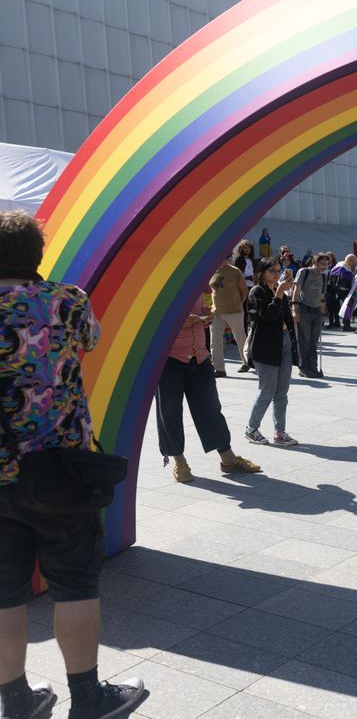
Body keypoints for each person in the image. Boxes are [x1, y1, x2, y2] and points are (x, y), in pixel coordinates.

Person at [0, 211, 146, 719]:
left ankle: (15, 701)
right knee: (76, 585)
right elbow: (89, 344)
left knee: (3, 593)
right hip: (62, 470)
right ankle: (87, 699)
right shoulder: (66, 301)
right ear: (37, 255)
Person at [156, 296, 262, 483]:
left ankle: (228, 458)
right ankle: (179, 461)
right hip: (169, 358)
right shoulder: (161, 285)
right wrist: (176, 321)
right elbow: (148, 319)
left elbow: (202, 307)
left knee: (210, 408)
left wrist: (206, 313)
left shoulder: (196, 284)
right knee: (169, 412)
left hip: (200, 355)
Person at [244, 258, 300, 447]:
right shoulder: (256, 292)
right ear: (261, 273)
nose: (276, 275)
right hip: (265, 346)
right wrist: (278, 293)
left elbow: (284, 318)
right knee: (267, 390)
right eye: (272, 271)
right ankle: (251, 429)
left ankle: (279, 431)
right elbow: (267, 316)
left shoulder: (280, 293)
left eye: (278, 271)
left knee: (282, 392)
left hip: (283, 342)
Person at [209, 256, 249, 377]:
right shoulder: (210, 270)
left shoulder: (235, 271)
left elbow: (244, 290)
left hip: (234, 311)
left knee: (240, 338)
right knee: (215, 341)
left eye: (225, 258)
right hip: (216, 312)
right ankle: (219, 369)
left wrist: (239, 303)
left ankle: (247, 362)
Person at [291, 253, 328, 379]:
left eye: (326, 264)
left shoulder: (323, 276)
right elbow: (296, 290)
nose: (324, 267)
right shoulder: (304, 272)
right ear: (315, 262)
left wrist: (323, 308)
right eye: (322, 264)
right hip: (304, 308)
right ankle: (304, 367)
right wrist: (294, 308)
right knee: (304, 340)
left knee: (314, 341)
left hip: (316, 310)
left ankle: (313, 367)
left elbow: (322, 294)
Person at [326, 254, 356, 330]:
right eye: (353, 262)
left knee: (334, 307)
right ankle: (346, 325)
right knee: (347, 307)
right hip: (342, 290)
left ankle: (335, 323)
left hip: (334, 289)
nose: (354, 264)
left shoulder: (340, 264)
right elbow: (342, 279)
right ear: (350, 260)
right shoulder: (344, 266)